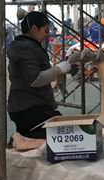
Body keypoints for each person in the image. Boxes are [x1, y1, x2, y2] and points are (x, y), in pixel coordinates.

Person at [7, 11, 73, 139]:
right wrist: (58, 69)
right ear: (34, 29)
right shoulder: (26, 48)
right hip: (29, 107)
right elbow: (35, 79)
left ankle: (21, 139)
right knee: (62, 134)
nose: (47, 35)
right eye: (45, 30)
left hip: (28, 105)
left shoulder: (27, 46)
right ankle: (18, 141)